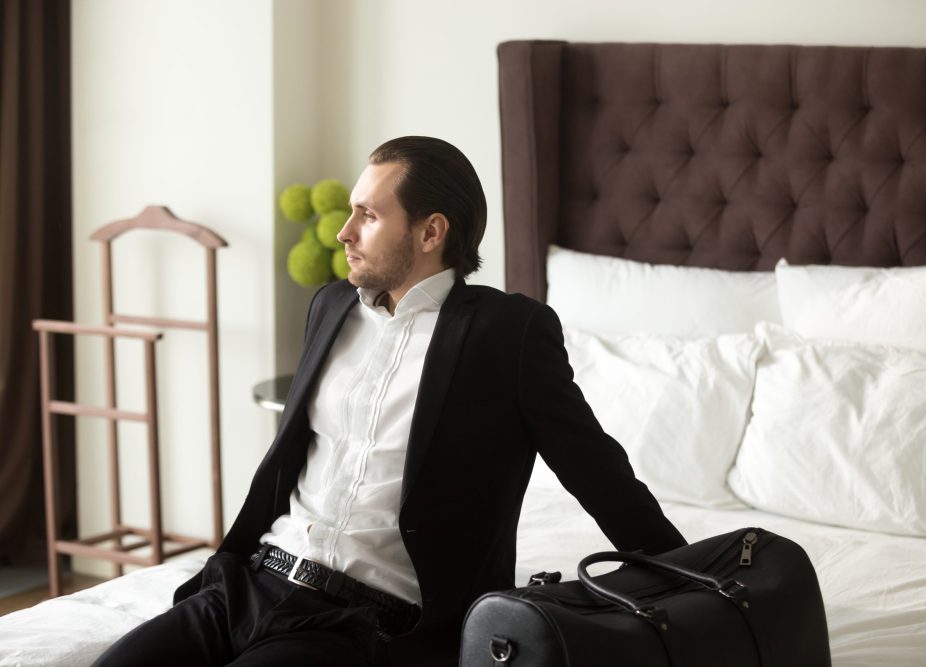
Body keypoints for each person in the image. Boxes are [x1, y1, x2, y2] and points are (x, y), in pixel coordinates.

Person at [95, 136, 685, 667]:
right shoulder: (330, 306)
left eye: (369, 215)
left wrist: (694, 588)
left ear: (431, 233)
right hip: (247, 585)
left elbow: (597, 472)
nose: (344, 232)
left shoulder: (507, 333)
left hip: (358, 622)